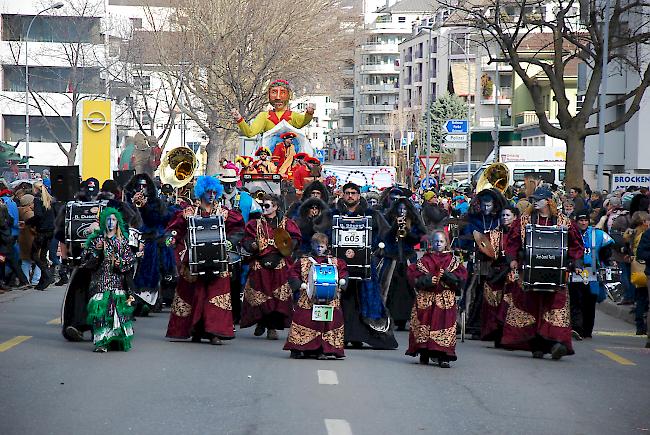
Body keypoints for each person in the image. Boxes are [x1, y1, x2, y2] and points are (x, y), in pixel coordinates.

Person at [501, 187, 584, 360]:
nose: (535, 202)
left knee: (555, 307)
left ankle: (557, 343)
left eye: (538, 199)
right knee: (531, 306)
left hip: (555, 273)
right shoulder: (524, 220)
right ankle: (536, 345)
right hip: (529, 272)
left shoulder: (563, 221)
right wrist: (512, 259)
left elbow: (576, 243)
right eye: (533, 199)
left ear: (548, 201)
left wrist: (576, 263)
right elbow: (512, 242)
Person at [166, 176, 245, 345]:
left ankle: (215, 332)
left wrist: (230, 241)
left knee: (216, 296)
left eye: (215, 192)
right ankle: (194, 329)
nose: (212, 195)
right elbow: (174, 230)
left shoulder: (224, 212)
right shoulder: (188, 212)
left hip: (218, 260)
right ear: (201, 192)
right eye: (208, 191)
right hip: (193, 260)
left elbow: (238, 229)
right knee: (193, 294)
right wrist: (170, 239)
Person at [330, 182, 397, 349]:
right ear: (342, 195)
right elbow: (322, 235)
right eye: (347, 193)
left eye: (354, 193)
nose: (350, 196)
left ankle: (361, 335)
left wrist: (378, 248)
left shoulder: (372, 215)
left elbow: (387, 235)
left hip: (366, 265)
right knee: (342, 299)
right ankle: (340, 334)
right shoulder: (333, 214)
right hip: (340, 266)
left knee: (365, 299)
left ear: (359, 196)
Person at [240, 194, 301, 340]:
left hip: (279, 262)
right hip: (260, 263)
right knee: (259, 294)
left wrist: (286, 245)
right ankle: (261, 322)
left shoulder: (287, 223)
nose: (264, 208)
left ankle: (272, 327)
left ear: (275, 207)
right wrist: (252, 245)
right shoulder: (254, 224)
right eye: (263, 205)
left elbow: (296, 239)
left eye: (267, 206)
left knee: (277, 298)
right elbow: (246, 240)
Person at [406, 231, 467, 368]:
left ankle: (444, 356)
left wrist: (446, 276)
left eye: (441, 242)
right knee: (424, 325)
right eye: (436, 242)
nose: (438, 244)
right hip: (426, 298)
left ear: (446, 243)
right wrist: (427, 280)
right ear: (431, 243)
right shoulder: (424, 260)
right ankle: (424, 352)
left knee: (443, 325)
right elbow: (413, 276)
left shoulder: (453, 261)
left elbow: (461, 278)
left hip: (444, 299)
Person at [283, 233, 349, 359]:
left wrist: (342, 283)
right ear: (312, 245)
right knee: (303, 318)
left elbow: (343, 273)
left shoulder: (336, 262)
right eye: (317, 246)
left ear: (327, 246)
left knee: (331, 320)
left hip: (330, 298)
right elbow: (292, 274)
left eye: (322, 246)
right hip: (308, 297)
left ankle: (325, 348)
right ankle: (298, 347)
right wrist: (300, 284)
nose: (319, 249)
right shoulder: (303, 261)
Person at [84, 207, 136, 352]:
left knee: (117, 313)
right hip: (99, 282)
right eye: (108, 219)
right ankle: (101, 343)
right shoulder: (96, 240)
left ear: (118, 222)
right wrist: (96, 252)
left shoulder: (123, 241)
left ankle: (115, 341)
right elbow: (87, 262)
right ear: (103, 222)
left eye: (113, 219)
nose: (111, 222)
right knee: (100, 311)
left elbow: (130, 260)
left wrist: (121, 263)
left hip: (117, 282)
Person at [458, 188, 506, 339]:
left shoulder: (500, 219)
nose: (486, 208)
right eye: (483, 205)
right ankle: (465, 321)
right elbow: (463, 239)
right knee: (470, 290)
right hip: (477, 260)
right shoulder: (473, 220)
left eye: (489, 205)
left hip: (495, 262)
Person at [126, 174, 175, 315]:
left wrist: (145, 207)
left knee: (148, 269)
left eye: (144, 186)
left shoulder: (156, 203)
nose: (141, 189)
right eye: (139, 186)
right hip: (129, 238)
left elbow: (159, 219)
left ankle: (145, 300)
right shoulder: (126, 201)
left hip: (149, 240)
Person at [382, 195, 426, 330]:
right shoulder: (389, 220)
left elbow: (419, 239)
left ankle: (410, 317)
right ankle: (389, 317)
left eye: (404, 209)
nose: (402, 211)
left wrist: (408, 233)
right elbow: (385, 237)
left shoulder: (413, 222)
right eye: (400, 209)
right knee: (389, 287)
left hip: (408, 257)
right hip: (393, 257)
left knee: (410, 287)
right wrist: (395, 226)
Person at [569, 211, 614, 340]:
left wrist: (606, 260)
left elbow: (607, 251)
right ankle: (577, 328)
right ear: (576, 221)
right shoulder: (571, 233)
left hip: (592, 272)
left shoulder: (597, 234)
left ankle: (587, 331)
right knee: (575, 300)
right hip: (575, 270)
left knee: (589, 301)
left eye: (586, 220)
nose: (583, 223)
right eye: (581, 220)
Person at [481, 205, 521, 346]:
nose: (504, 218)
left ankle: (511, 336)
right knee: (493, 299)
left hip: (513, 272)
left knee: (510, 303)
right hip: (497, 271)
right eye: (503, 215)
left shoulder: (520, 233)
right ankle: (496, 334)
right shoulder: (494, 234)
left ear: (515, 217)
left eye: (508, 215)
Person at [232, 79, 314, 137]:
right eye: (274, 92)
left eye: (282, 93)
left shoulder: (293, 116)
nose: (278, 97)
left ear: (289, 95)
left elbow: (303, 121)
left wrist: (309, 114)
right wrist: (239, 119)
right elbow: (250, 133)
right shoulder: (264, 116)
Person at [27, 181, 55, 290]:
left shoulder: (37, 200)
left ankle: (47, 275)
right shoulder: (49, 199)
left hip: (42, 232)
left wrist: (29, 222)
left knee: (33, 255)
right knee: (43, 256)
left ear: (35, 189)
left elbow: (38, 215)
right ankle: (42, 282)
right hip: (50, 231)